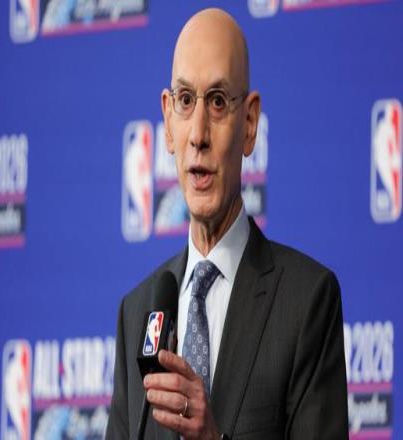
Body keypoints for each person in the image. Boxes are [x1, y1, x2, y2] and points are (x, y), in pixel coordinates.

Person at [106, 8, 348, 440]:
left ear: (249, 123)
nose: (198, 134)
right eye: (185, 101)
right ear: (167, 122)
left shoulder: (307, 301)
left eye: (217, 102)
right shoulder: (137, 313)